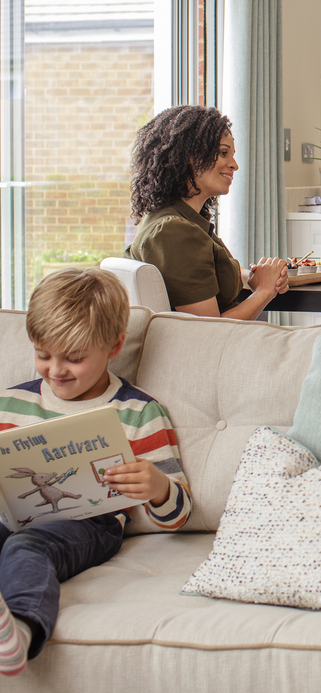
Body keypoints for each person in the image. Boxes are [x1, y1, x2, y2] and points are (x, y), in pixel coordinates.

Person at [0, 267, 191, 673]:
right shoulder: (9, 404)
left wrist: (156, 486)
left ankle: (21, 630)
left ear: (114, 346)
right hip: (12, 514)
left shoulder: (138, 411)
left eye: (74, 358)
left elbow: (179, 512)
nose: (55, 370)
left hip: (90, 524)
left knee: (26, 546)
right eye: (43, 354)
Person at [126, 105, 288, 319]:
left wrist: (255, 277)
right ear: (189, 156)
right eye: (223, 153)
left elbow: (203, 274)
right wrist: (264, 291)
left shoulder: (173, 219)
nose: (234, 165)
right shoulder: (174, 232)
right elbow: (209, 330)